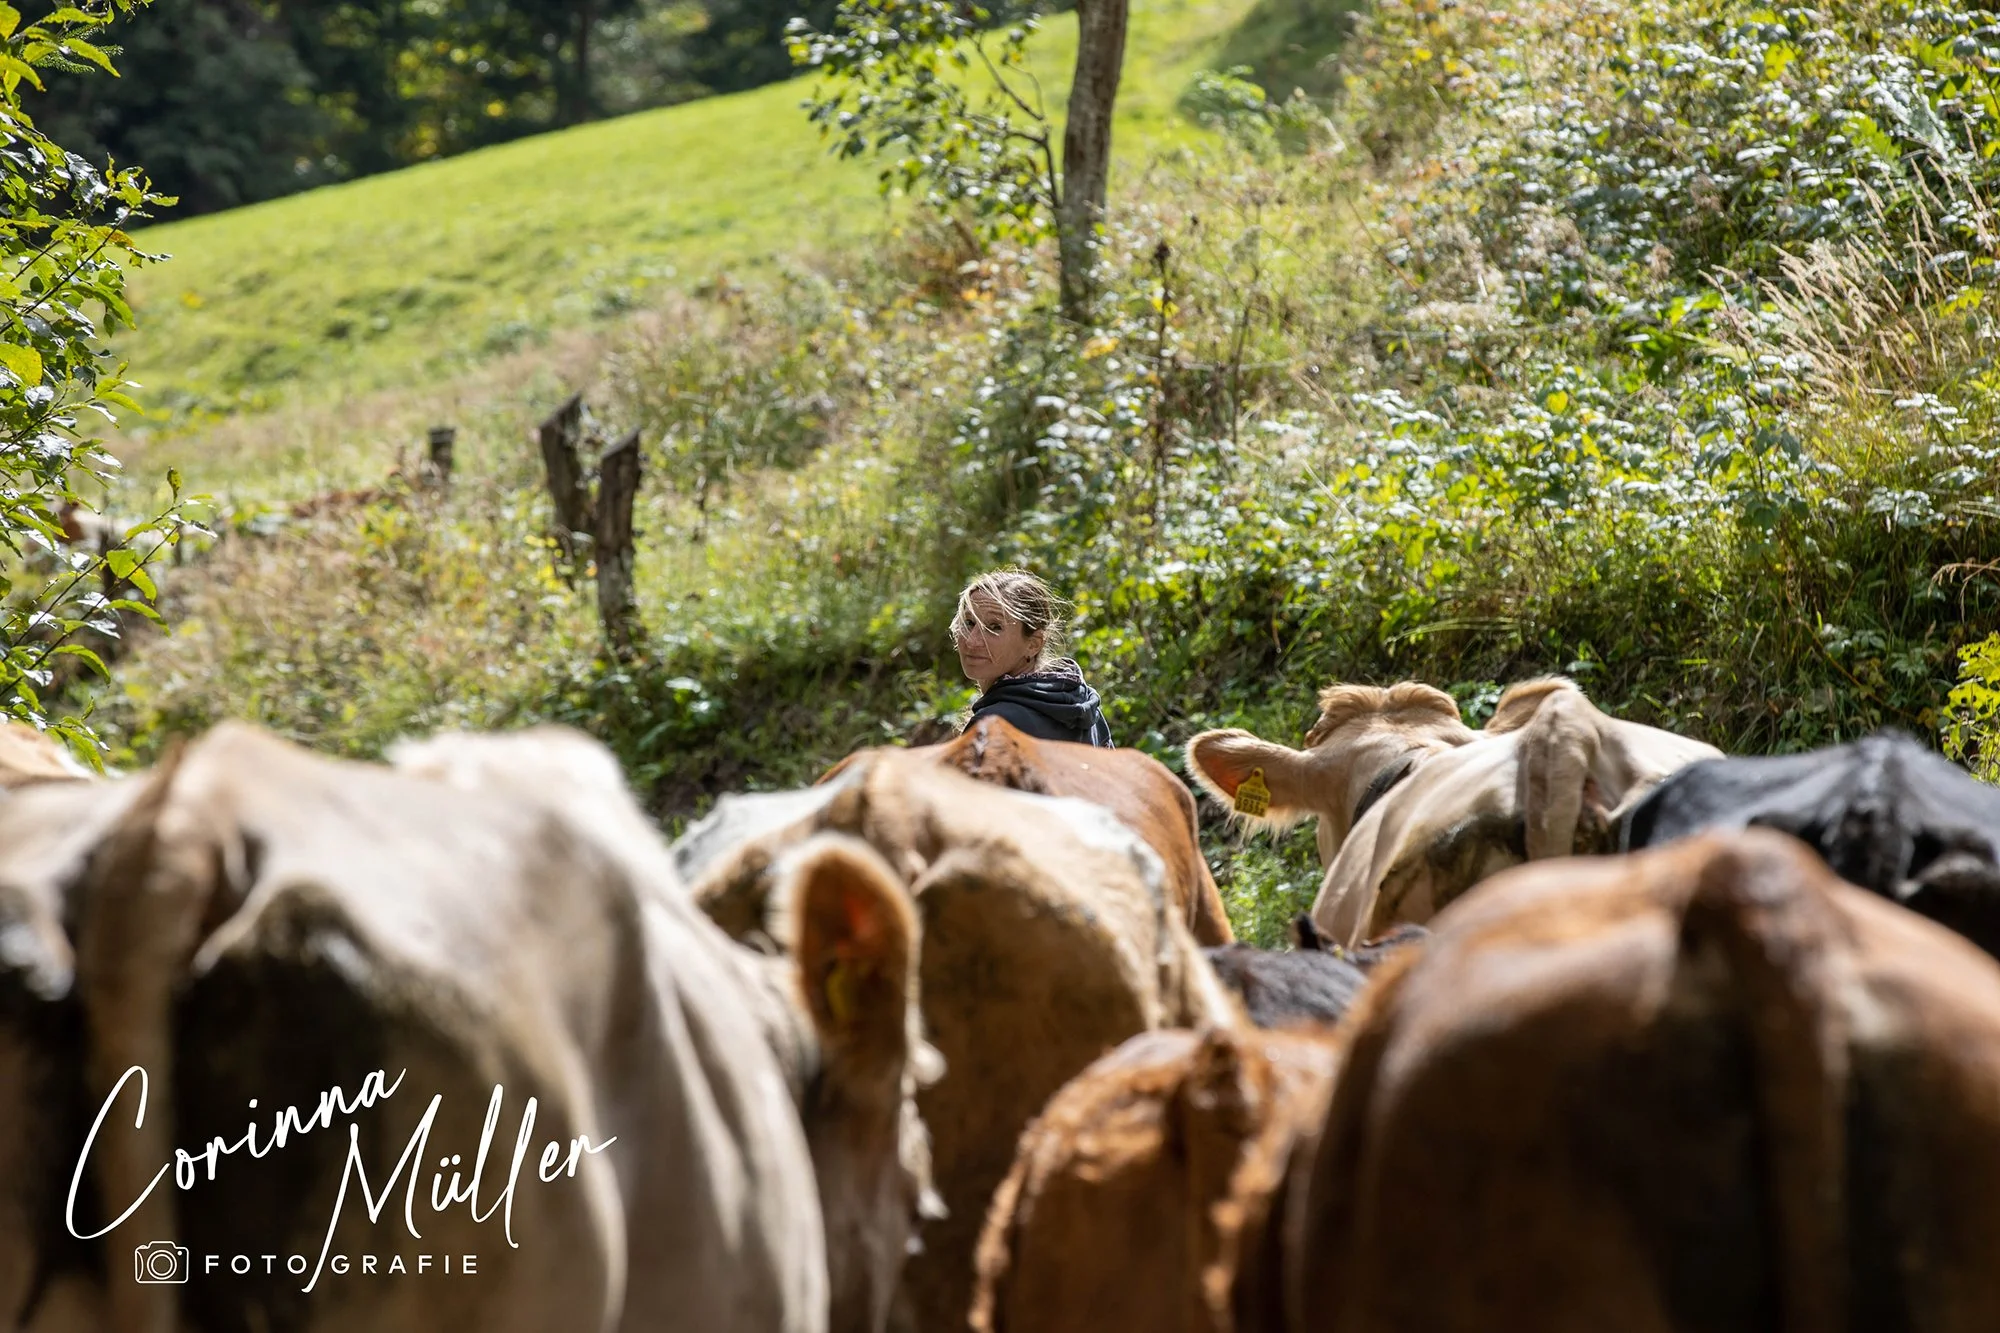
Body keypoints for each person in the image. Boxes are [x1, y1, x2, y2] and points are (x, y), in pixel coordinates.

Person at [951, 569, 1114, 747]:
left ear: (1033, 644)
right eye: (969, 622)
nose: (972, 641)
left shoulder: (993, 725)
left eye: (994, 627)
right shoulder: (1087, 709)